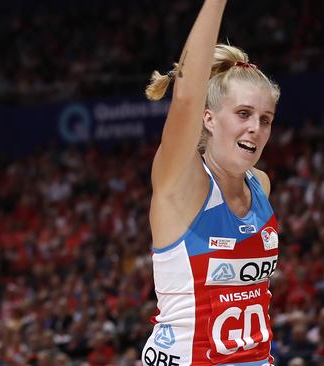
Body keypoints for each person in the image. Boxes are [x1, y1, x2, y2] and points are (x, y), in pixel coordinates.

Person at [141, 1, 281, 365]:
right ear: (209, 118)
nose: (256, 128)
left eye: (265, 119)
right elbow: (185, 98)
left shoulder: (260, 186)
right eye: (243, 114)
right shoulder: (182, 185)